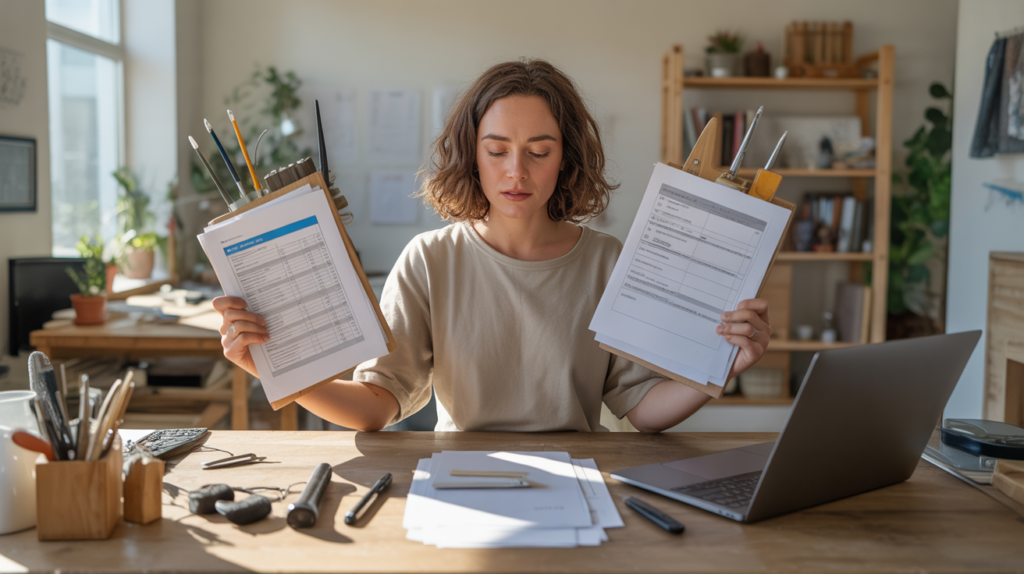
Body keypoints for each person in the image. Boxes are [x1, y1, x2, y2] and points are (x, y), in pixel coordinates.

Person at [213, 59, 771, 433]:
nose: (516, 172)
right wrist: (278, 371)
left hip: (584, 482)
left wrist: (719, 366)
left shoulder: (608, 260)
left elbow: (643, 410)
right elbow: (377, 406)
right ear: (471, 155)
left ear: (567, 158)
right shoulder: (428, 261)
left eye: (540, 150)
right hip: (460, 479)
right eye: (497, 149)